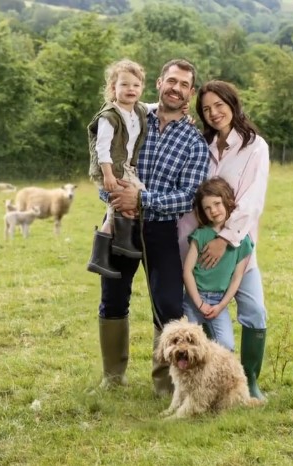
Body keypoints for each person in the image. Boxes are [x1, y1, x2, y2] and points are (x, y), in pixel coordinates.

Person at [96, 59, 210, 394]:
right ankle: (113, 377)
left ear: (190, 93)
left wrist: (142, 200)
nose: (176, 88)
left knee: (169, 305)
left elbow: (189, 196)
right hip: (120, 222)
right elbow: (104, 160)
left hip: (161, 230)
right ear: (159, 82)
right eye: (171, 80)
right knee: (113, 297)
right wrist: (116, 196)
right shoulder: (129, 117)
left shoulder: (193, 141)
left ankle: (166, 383)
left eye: (184, 84)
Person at [178, 80, 270, 400]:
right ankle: (204, 382)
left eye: (219, 105)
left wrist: (225, 239)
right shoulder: (200, 145)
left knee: (254, 311)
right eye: (206, 109)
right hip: (201, 250)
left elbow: (251, 201)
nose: (214, 113)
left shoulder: (254, 147)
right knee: (200, 314)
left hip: (238, 249)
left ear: (232, 103)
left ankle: (249, 381)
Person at [87, 59, 156, 279]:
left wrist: (181, 110)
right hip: (110, 168)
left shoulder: (137, 110)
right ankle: (100, 256)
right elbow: (101, 147)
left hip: (124, 166)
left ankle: (123, 243)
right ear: (113, 88)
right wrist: (107, 174)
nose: (130, 89)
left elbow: (154, 106)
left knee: (130, 201)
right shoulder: (110, 115)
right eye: (124, 85)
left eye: (136, 85)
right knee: (121, 202)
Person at [183, 177, 253, 352]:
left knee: (226, 346)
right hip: (193, 299)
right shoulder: (200, 235)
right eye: (207, 208)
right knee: (189, 345)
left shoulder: (242, 240)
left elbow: (237, 277)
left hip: (218, 302)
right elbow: (187, 272)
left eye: (217, 203)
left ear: (227, 201)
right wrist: (199, 303)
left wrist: (221, 306)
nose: (213, 211)